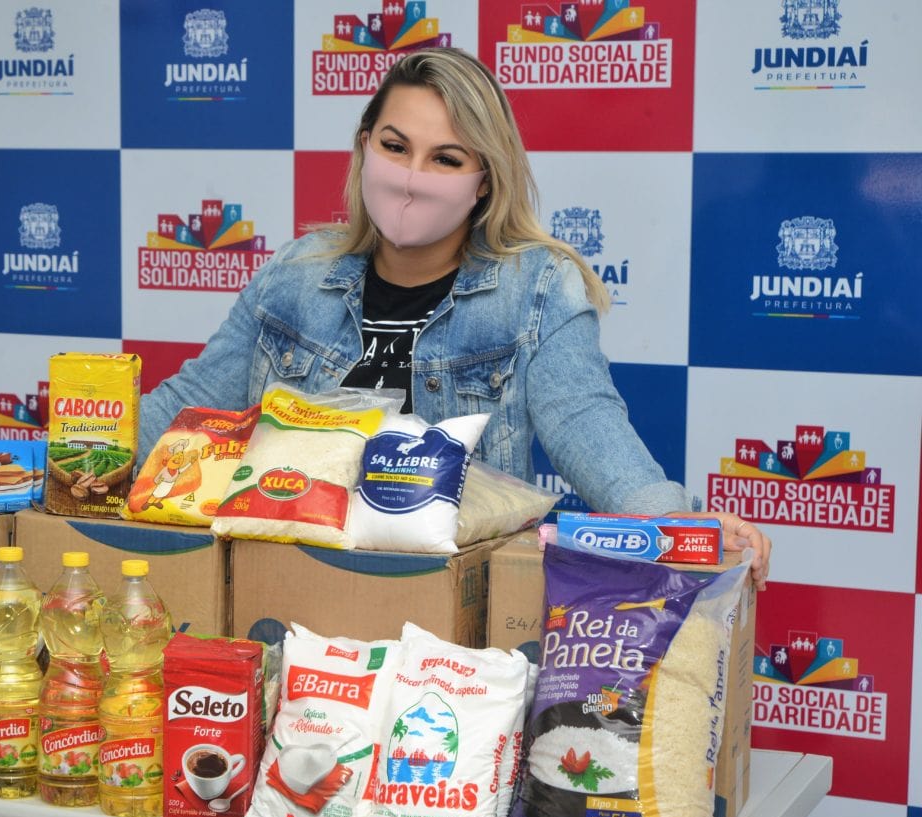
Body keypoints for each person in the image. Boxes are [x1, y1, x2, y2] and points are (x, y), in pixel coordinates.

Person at [139, 47, 771, 587]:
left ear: (484, 182)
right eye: (395, 146)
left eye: (445, 158)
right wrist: (80, 443)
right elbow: (192, 403)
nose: (412, 179)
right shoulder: (296, 272)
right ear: (365, 147)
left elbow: (589, 424)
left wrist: (677, 521)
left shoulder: (536, 289)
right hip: (284, 593)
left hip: (451, 628)